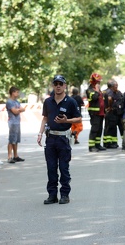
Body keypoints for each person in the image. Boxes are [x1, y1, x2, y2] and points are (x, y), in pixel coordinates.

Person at [37, 75, 82, 205]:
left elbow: (78, 119)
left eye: (60, 84)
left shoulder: (70, 101)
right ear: (53, 86)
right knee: (51, 168)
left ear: (65, 86)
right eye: (56, 83)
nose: (58, 86)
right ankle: (52, 195)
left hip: (63, 138)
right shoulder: (48, 101)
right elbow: (45, 118)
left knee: (63, 168)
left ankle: (64, 194)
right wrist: (40, 134)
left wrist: (66, 120)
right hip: (50, 138)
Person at [6, 86, 26, 163]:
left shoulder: (17, 102)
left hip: (17, 122)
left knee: (16, 140)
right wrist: (19, 110)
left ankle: (16, 155)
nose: (18, 94)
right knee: (11, 140)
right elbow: (15, 111)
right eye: (17, 92)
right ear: (13, 92)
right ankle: (9, 157)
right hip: (12, 122)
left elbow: (23, 109)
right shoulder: (9, 102)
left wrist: (19, 110)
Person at [86, 73, 106, 151]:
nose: (99, 83)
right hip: (94, 113)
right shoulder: (89, 90)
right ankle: (91, 146)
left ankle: (97, 145)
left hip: (101, 113)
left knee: (99, 129)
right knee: (94, 129)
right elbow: (94, 97)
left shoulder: (98, 90)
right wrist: (97, 90)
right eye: (98, 82)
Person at [102, 79, 124, 148]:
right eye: (116, 85)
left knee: (109, 128)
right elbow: (109, 99)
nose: (117, 87)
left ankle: (109, 143)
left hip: (111, 112)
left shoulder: (104, 92)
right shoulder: (110, 92)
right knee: (111, 128)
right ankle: (110, 143)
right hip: (112, 112)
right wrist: (110, 107)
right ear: (112, 86)